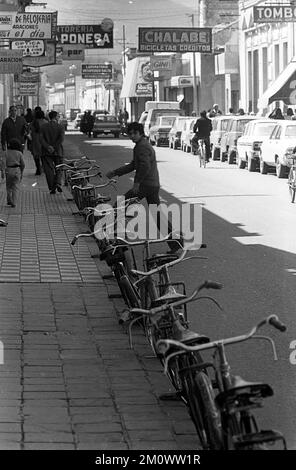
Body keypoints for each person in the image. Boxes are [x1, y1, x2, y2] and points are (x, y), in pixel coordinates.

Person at [105, 122, 182, 253]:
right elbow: (134, 165)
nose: (132, 136)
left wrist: (137, 183)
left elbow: (144, 166)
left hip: (146, 185)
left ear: (140, 133)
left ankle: (114, 241)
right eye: (130, 134)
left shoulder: (141, 147)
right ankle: (177, 242)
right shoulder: (142, 145)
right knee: (157, 215)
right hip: (152, 184)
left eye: (134, 133)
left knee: (119, 206)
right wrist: (116, 172)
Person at [39, 110, 64, 194]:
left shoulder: (43, 127)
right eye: (58, 116)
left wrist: (48, 147)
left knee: (48, 170)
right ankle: (58, 183)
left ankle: (52, 187)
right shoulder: (60, 127)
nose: (59, 117)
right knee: (59, 167)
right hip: (57, 151)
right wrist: (54, 147)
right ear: (55, 117)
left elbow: (41, 139)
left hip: (46, 152)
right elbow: (61, 139)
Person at [2, 138, 25, 208]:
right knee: (15, 187)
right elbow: (23, 164)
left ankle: (9, 200)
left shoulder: (6, 152)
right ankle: (14, 202)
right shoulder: (19, 153)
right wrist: (21, 171)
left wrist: (2, 172)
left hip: (8, 170)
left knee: (8, 186)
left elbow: (3, 163)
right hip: (17, 170)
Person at [31, 109, 47, 175]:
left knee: (36, 157)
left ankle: (38, 169)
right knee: (44, 157)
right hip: (44, 142)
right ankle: (44, 169)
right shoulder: (46, 122)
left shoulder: (33, 123)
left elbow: (29, 131)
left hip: (35, 142)